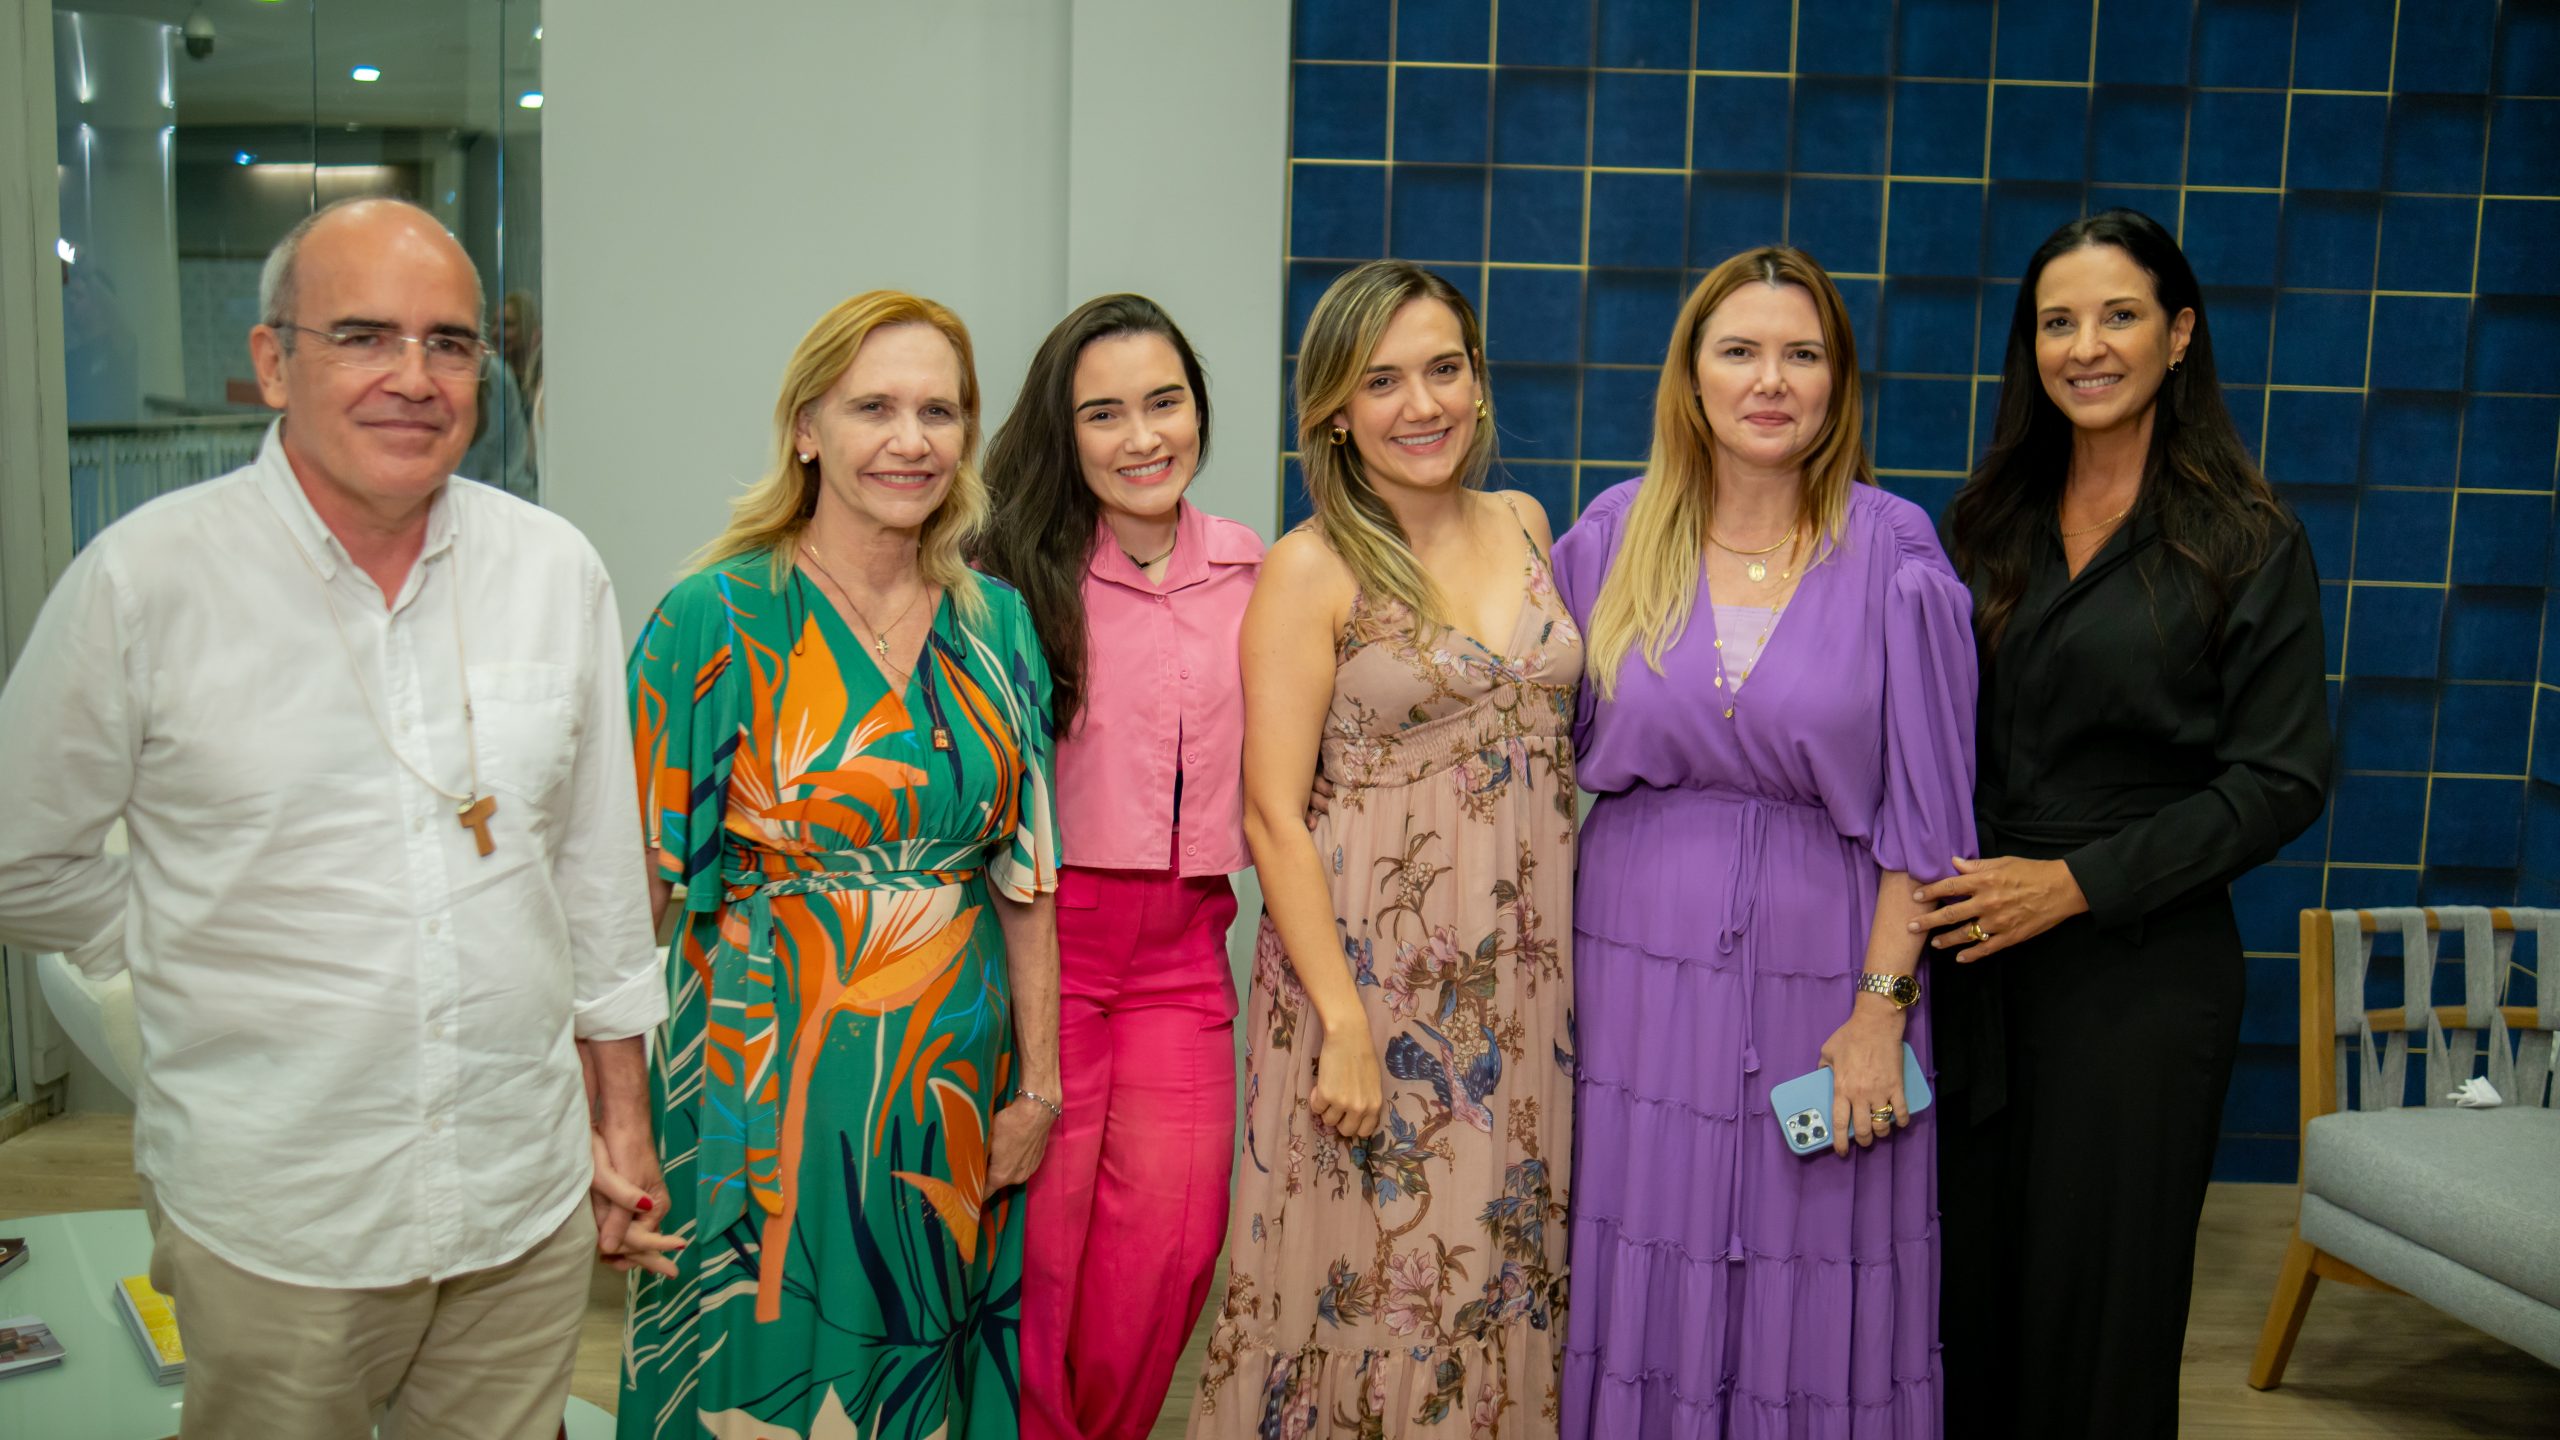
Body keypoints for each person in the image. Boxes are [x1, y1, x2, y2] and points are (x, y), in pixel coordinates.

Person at [0, 196, 673, 1440]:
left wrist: (621, 1121)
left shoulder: (553, 571)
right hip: (281, 1215)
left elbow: (592, 875)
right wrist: (173, 925)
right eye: (363, 336)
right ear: (274, 361)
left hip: (516, 1203)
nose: (413, 378)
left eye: (449, 343)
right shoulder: (146, 584)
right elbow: (16, 856)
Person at [619, 290, 1061, 1439]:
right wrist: (610, 1122)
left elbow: (1025, 880)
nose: (909, 441)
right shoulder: (710, 619)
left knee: (917, 1381)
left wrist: (1038, 1086)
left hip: (947, 1106)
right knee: (757, 1377)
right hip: (757, 1087)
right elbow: (629, 902)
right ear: (806, 429)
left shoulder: (999, 626)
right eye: (873, 408)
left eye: (938, 412)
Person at [1552, 245, 1977, 1438]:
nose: (1770, 380)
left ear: (1838, 382)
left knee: (1818, 1257)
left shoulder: (1897, 554)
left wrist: (1880, 1011)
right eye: (1739, 351)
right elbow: (1517, 749)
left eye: (1802, 354)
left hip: (1831, 967)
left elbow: (1928, 820)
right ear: (1690, 377)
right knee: (1644, 1239)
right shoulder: (1610, 537)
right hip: (1633, 971)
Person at [1928, 208, 2331, 1439]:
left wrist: (2073, 885)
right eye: (2057, 321)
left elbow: (2280, 780)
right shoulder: (1980, 522)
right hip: (1974, 967)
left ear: (2179, 333)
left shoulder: (2248, 539)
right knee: (1963, 1298)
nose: (2086, 346)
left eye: (2119, 315)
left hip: (2140, 975)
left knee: (2101, 1313)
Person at [1188, 260, 1580, 1437]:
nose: (1422, 405)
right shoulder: (1312, 566)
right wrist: (1346, 1024)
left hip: (1520, 989)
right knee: (1376, 1280)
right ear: (1333, 411)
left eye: (1444, 369)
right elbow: (1271, 815)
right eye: (1382, 381)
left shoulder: (1525, 523)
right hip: (1369, 986)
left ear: (1478, 379)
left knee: (1493, 1265)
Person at [978, 294, 1264, 1440]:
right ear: (1064, 431)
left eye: (1165, 403)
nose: (1143, 437)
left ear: (1198, 409)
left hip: (1185, 962)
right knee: (1038, 1264)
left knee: (1172, 1253)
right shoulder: (1003, 577)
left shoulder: (1255, 572)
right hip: (1041, 957)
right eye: (1104, 414)